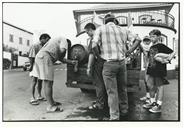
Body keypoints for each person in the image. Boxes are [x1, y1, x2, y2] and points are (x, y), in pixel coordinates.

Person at [92, 14, 141, 120]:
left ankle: (114, 116)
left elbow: (94, 45)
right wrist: (129, 51)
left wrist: (99, 57)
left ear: (105, 21)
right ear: (115, 20)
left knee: (112, 91)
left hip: (109, 64)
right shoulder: (123, 30)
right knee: (122, 88)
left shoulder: (100, 29)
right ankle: (124, 110)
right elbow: (138, 40)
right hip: (122, 63)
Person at [34, 37, 78, 112]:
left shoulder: (56, 42)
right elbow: (62, 51)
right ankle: (51, 106)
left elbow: (60, 58)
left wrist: (71, 62)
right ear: (68, 43)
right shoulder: (64, 40)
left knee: (47, 82)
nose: (68, 48)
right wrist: (65, 51)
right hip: (45, 57)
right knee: (48, 83)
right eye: (68, 47)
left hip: (41, 57)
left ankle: (51, 102)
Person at [143, 29, 175, 113]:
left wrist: (167, 60)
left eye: (153, 36)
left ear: (159, 37)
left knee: (160, 86)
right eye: (150, 36)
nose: (151, 38)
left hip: (159, 70)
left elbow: (172, 53)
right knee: (150, 85)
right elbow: (150, 58)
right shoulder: (151, 46)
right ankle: (153, 102)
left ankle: (159, 105)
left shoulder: (161, 45)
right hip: (151, 69)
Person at [84, 23, 107, 110]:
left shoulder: (94, 39)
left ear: (90, 30)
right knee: (105, 84)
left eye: (87, 32)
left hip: (98, 63)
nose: (87, 34)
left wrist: (89, 67)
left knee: (99, 84)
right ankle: (102, 101)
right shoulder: (103, 36)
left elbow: (92, 54)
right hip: (107, 62)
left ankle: (100, 103)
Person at [28, 33, 51, 105]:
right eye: (47, 40)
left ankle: (39, 96)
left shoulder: (45, 46)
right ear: (42, 39)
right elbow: (31, 57)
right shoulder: (34, 45)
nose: (48, 42)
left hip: (41, 65)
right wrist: (31, 65)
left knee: (40, 81)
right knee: (34, 81)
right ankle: (32, 97)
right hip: (35, 65)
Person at [139, 36, 152, 103]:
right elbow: (140, 45)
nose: (146, 42)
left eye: (148, 40)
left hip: (151, 67)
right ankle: (148, 95)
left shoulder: (151, 47)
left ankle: (151, 98)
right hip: (146, 67)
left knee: (149, 82)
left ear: (150, 41)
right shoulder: (143, 48)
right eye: (145, 40)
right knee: (145, 81)